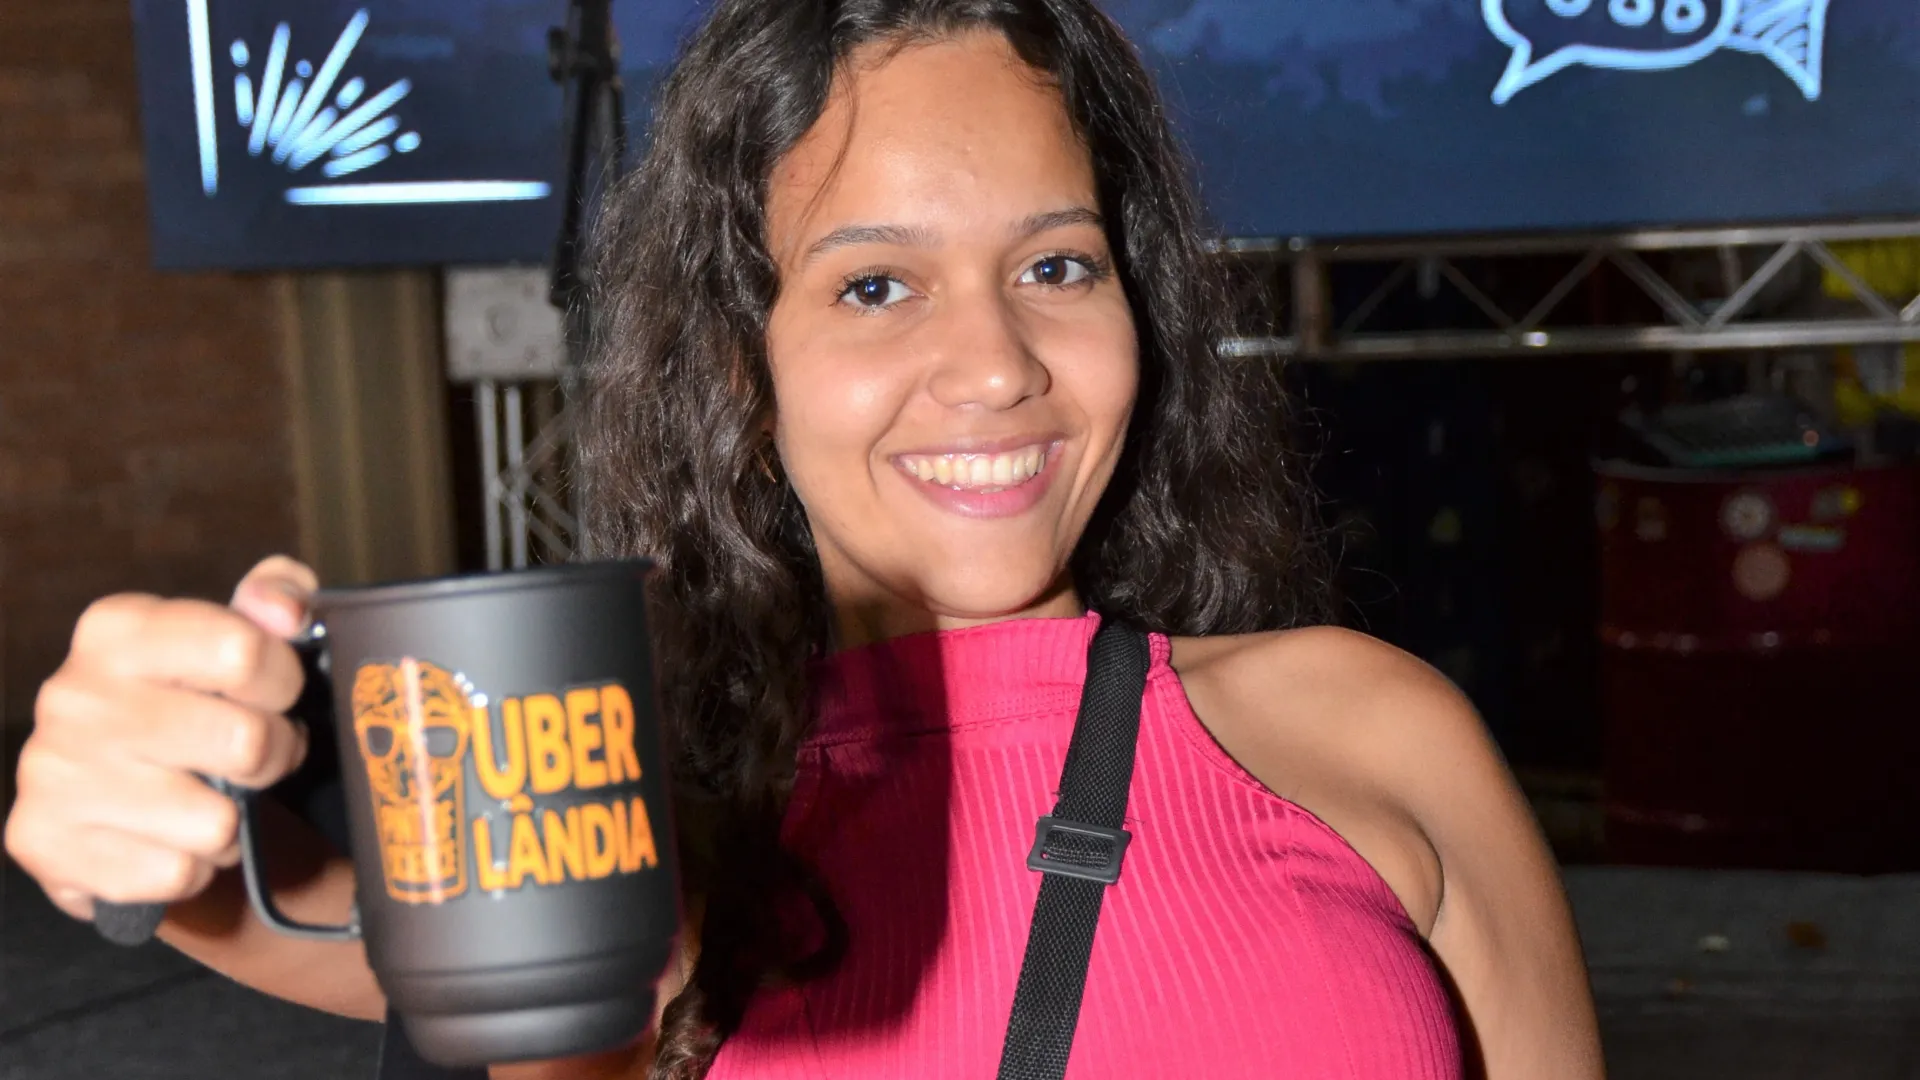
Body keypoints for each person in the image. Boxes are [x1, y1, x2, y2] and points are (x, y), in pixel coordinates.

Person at [5, 1, 1605, 1077]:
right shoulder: (610, 813)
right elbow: (259, 897)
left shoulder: (1372, 735)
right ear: (738, 364)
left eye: (1056, 266)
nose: (995, 365)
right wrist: (146, 804)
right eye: (875, 285)